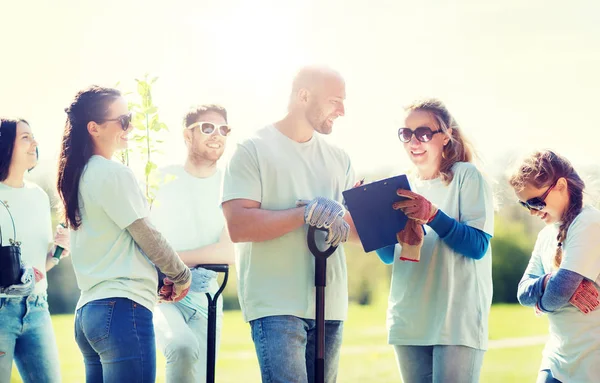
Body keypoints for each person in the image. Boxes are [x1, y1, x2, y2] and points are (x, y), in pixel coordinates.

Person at [221, 66, 357, 383]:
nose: (343, 111)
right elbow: (239, 225)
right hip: (276, 305)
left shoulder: (340, 158)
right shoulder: (252, 149)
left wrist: (398, 220)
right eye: (335, 101)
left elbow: (357, 231)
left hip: (331, 304)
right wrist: (303, 214)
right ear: (303, 96)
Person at [56, 85, 192, 382]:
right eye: (123, 119)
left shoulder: (77, 178)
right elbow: (147, 235)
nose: (128, 126)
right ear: (94, 128)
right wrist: (181, 275)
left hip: (89, 314)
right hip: (120, 311)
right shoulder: (112, 173)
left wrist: (159, 277)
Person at [374, 98, 494, 382]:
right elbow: (391, 256)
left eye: (423, 133)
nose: (414, 141)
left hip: (456, 319)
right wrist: (371, 220)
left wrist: (433, 215)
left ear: (445, 136)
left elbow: (477, 247)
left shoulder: (467, 176)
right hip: (408, 318)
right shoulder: (400, 185)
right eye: (406, 133)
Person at [151, 104, 235, 382]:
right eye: (207, 128)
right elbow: (142, 240)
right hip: (161, 295)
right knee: (181, 347)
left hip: (208, 297)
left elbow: (228, 250)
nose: (217, 135)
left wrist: (172, 261)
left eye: (224, 129)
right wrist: (173, 269)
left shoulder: (233, 185)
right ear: (187, 136)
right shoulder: (159, 179)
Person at [512, 150, 600, 383]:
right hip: (556, 360)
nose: (532, 211)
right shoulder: (545, 236)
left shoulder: (588, 222)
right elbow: (523, 292)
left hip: (592, 363)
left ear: (561, 185)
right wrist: (549, 281)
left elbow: (560, 293)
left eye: (536, 201)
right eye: (524, 204)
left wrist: (541, 303)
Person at [0, 118, 69, 383]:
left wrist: (57, 252)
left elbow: (41, 264)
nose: (35, 143)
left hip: (38, 307)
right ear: (6, 146)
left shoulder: (39, 196)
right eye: (26, 138)